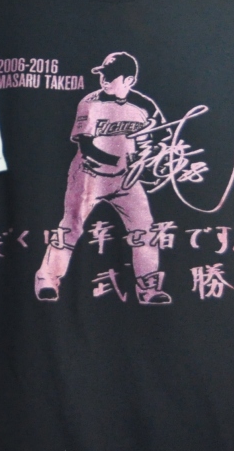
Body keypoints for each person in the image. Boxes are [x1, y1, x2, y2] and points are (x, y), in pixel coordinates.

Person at [35, 52, 172, 305]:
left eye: (111, 76)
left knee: (144, 229)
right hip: (89, 177)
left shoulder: (144, 105)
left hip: (127, 181)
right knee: (70, 227)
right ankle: (47, 280)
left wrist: (151, 159)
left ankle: (149, 288)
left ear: (129, 80)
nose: (105, 79)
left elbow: (162, 139)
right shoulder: (90, 102)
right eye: (103, 74)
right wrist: (119, 161)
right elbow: (86, 146)